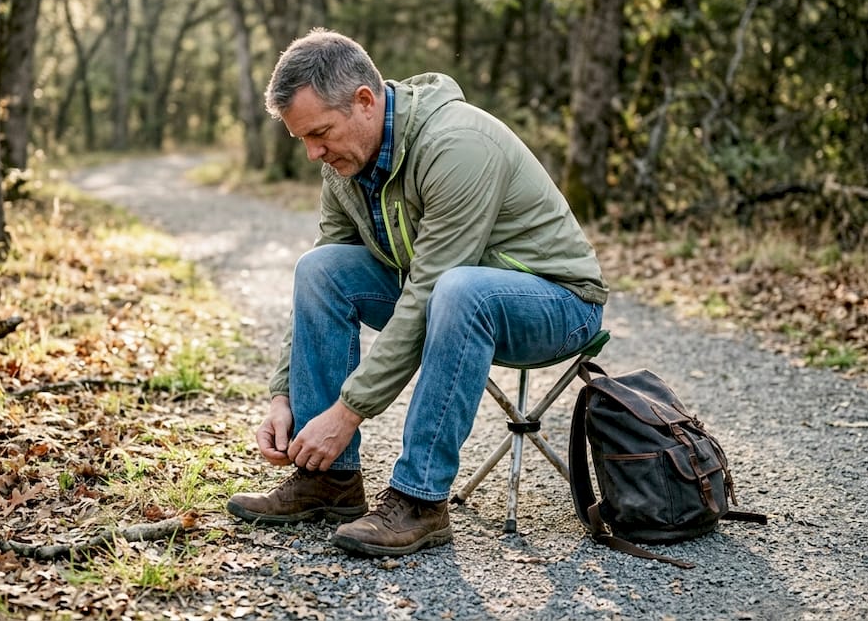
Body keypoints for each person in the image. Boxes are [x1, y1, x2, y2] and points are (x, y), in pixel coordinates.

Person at [226, 29, 607, 557]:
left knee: (458, 289)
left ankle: (420, 500)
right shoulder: (345, 165)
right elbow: (337, 270)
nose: (313, 153)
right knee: (320, 269)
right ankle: (327, 480)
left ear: (364, 100)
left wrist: (347, 412)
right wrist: (282, 395)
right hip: (451, 296)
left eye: (320, 133)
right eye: (303, 139)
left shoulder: (457, 144)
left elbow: (430, 289)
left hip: (558, 305)